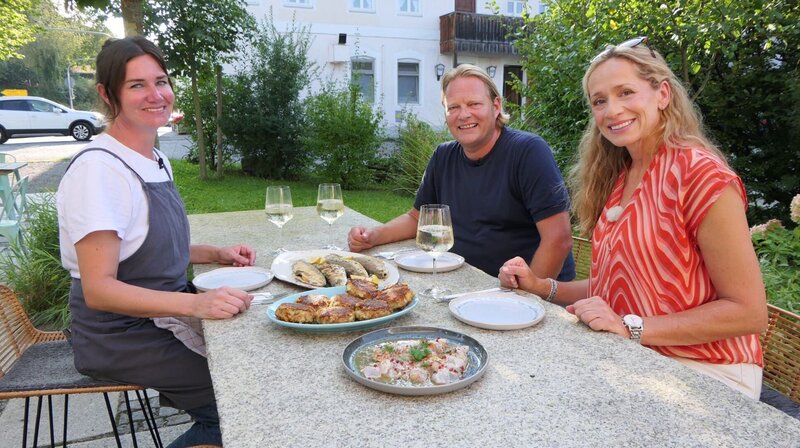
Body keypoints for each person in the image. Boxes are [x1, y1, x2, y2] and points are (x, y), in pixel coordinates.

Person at [499, 37, 767, 398]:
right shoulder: (622, 176)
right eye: (599, 101)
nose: (612, 110)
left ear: (663, 95)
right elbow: (615, 287)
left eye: (626, 92)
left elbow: (748, 312)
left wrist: (630, 327)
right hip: (635, 359)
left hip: (708, 372)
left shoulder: (700, 174)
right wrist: (540, 286)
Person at [57, 36, 255, 448]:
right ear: (107, 94)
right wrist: (196, 304)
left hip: (159, 317)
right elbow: (99, 288)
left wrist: (212, 254)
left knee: (254, 361)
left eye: (161, 81)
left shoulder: (153, 158)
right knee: (241, 404)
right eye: (137, 85)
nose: (156, 95)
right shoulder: (99, 171)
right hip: (119, 336)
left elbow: (146, 249)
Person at [348, 64, 575, 280]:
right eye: (453, 107)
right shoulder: (443, 156)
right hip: (463, 280)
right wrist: (374, 236)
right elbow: (416, 219)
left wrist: (530, 296)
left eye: (474, 104)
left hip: (521, 290)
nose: (464, 115)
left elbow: (558, 238)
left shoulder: (527, 152)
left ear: (496, 106)